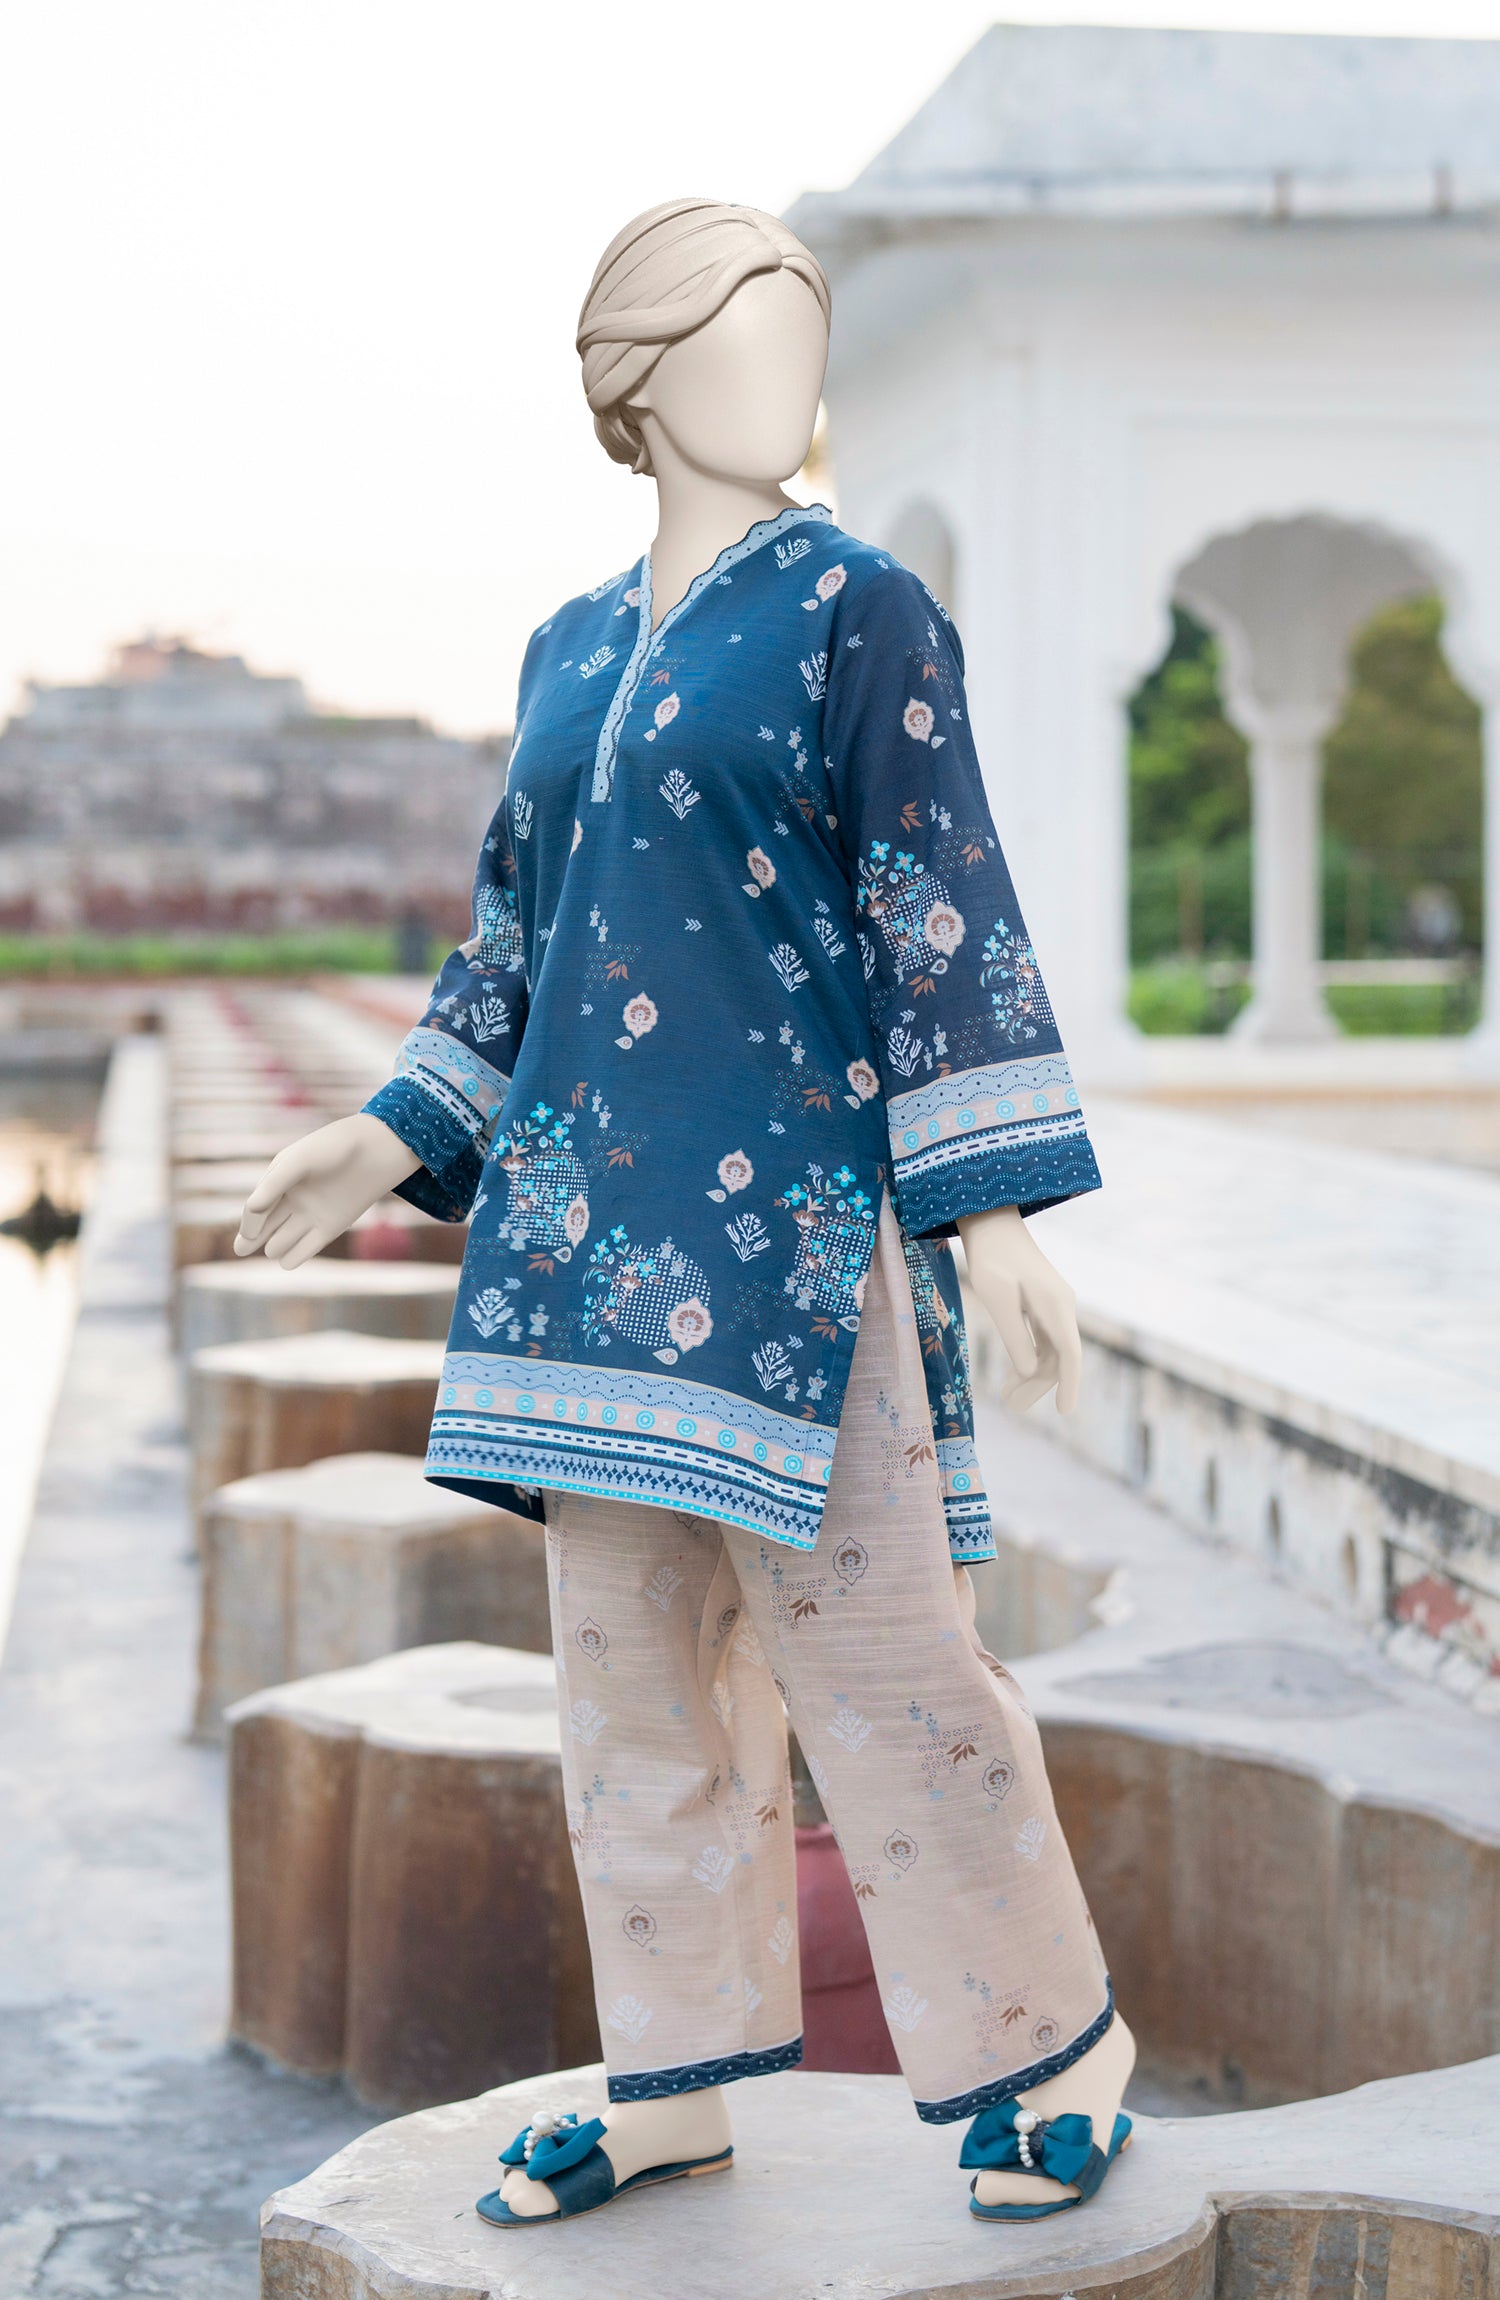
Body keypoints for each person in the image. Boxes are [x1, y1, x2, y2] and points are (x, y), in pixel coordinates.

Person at [235, 197, 1135, 2229]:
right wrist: (379, 1134)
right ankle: (675, 2085)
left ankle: (1052, 2046)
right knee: (632, 1691)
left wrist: (995, 1213)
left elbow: (936, 898)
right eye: (742, 336)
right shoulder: (566, 645)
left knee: (890, 1671)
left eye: (802, 337)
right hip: (576, 1252)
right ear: (633, 382)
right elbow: (514, 940)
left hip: (801, 1239)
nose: (786, 377)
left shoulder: (859, 609)